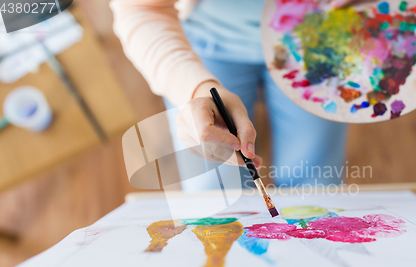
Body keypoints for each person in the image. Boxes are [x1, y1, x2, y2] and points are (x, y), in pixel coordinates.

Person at [111, 0, 355, 191]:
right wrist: (195, 88)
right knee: (213, 194)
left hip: (319, 44)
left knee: (315, 187)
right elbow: (140, 8)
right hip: (204, 45)